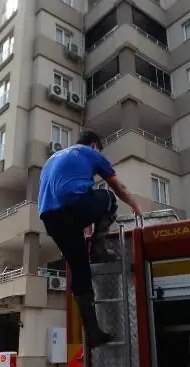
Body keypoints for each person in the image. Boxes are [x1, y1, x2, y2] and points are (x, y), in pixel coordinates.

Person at [38, 130, 143, 348]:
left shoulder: (51, 159)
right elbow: (118, 186)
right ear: (95, 144)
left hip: (50, 218)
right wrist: (135, 205)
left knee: (80, 269)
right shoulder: (90, 153)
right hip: (73, 207)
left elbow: (60, 189)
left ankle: (93, 331)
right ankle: (98, 247)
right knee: (108, 198)